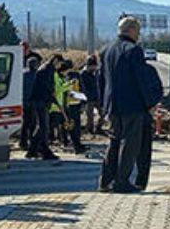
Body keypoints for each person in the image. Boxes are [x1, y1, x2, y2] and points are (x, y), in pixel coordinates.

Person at [98, 16, 164, 193]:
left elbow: (102, 79)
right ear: (133, 30)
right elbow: (140, 79)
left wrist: (103, 105)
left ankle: (105, 180)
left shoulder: (107, 50)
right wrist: (149, 103)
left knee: (114, 141)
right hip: (132, 104)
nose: (139, 35)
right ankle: (122, 181)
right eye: (138, 31)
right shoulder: (133, 50)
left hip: (113, 105)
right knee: (130, 143)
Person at [28, 54, 63, 161]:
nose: (60, 66)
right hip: (41, 100)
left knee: (41, 127)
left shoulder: (45, 67)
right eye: (60, 63)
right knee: (44, 128)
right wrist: (55, 102)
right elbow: (49, 87)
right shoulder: (48, 69)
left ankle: (32, 150)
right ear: (56, 60)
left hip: (39, 100)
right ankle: (45, 151)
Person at [63, 66, 86, 153]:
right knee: (76, 125)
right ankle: (77, 143)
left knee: (70, 125)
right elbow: (82, 90)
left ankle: (69, 142)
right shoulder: (77, 77)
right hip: (76, 104)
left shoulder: (65, 79)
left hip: (68, 106)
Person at [19, 55, 40, 151]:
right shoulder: (37, 75)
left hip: (24, 101)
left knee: (25, 123)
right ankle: (32, 142)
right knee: (33, 123)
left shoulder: (22, 75)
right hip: (33, 101)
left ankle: (23, 142)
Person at [80, 55, 103, 135]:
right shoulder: (83, 74)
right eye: (93, 66)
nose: (95, 68)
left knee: (103, 114)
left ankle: (98, 128)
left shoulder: (96, 73)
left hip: (97, 97)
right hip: (88, 99)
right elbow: (82, 87)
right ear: (89, 65)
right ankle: (90, 130)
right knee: (90, 117)